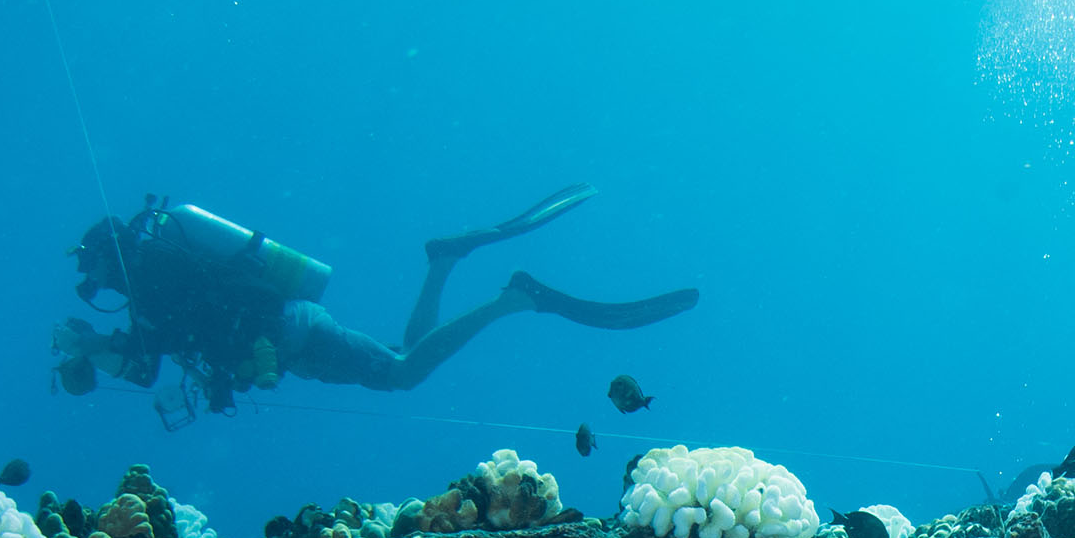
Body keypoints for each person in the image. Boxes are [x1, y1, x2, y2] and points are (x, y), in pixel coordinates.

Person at [50, 186, 694, 426]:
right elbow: (144, 364)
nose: (102, 290)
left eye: (98, 277)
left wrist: (89, 346)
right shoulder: (161, 287)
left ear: (110, 261)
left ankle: (514, 298)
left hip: (292, 333)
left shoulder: (159, 287)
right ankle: (443, 261)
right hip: (293, 339)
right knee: (399, 357)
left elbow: (145, 359)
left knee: (402, 374)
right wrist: (89, 346)